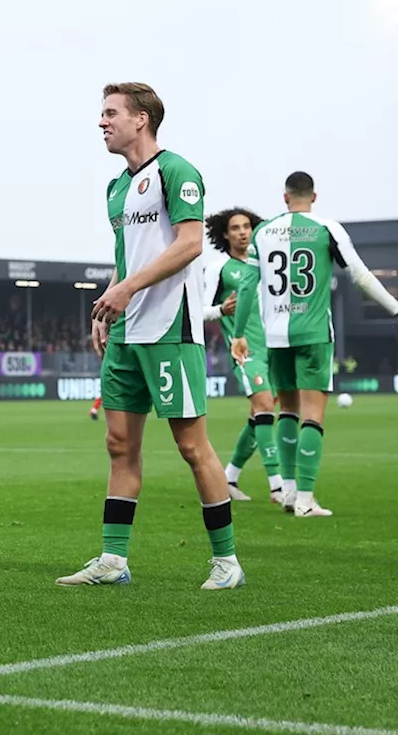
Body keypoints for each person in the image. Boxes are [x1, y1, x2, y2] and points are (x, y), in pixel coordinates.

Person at [58, 83, 243, 591]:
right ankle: (113, 561)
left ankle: (226, 562)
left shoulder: (177, 171)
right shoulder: (116, 187)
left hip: (168, 328)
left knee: (191, 446)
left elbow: (188, 246)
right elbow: (128, 258)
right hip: (126, 331)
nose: (102, 122)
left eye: (110, 113)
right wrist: (107, 306)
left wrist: (128, 291)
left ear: (141, 119)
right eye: (101, 114)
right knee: (119, 444)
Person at [232, 171, 398, 517]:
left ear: (285, 198)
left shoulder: (262, 233)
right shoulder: (327, 228)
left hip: (276, 337)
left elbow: (247, 287)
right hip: (313, 335)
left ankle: (290, 492)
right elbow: (361, 275)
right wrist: (395, 307)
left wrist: (238, 334)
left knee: (287, 411)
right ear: (314, 197)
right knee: (313, 415)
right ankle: (306, 499)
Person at [201, 209, 282, 503]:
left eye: (247, 226)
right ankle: (278, 486)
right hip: (245, 351)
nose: (242, 232)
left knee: (258, 416)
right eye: (235, 228)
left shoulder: (264, 265)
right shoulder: (218, 268)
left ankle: (229, 477)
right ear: (225, 233)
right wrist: (222, 310)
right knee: (263, 408)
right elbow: (197, 311)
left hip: (274, 347)